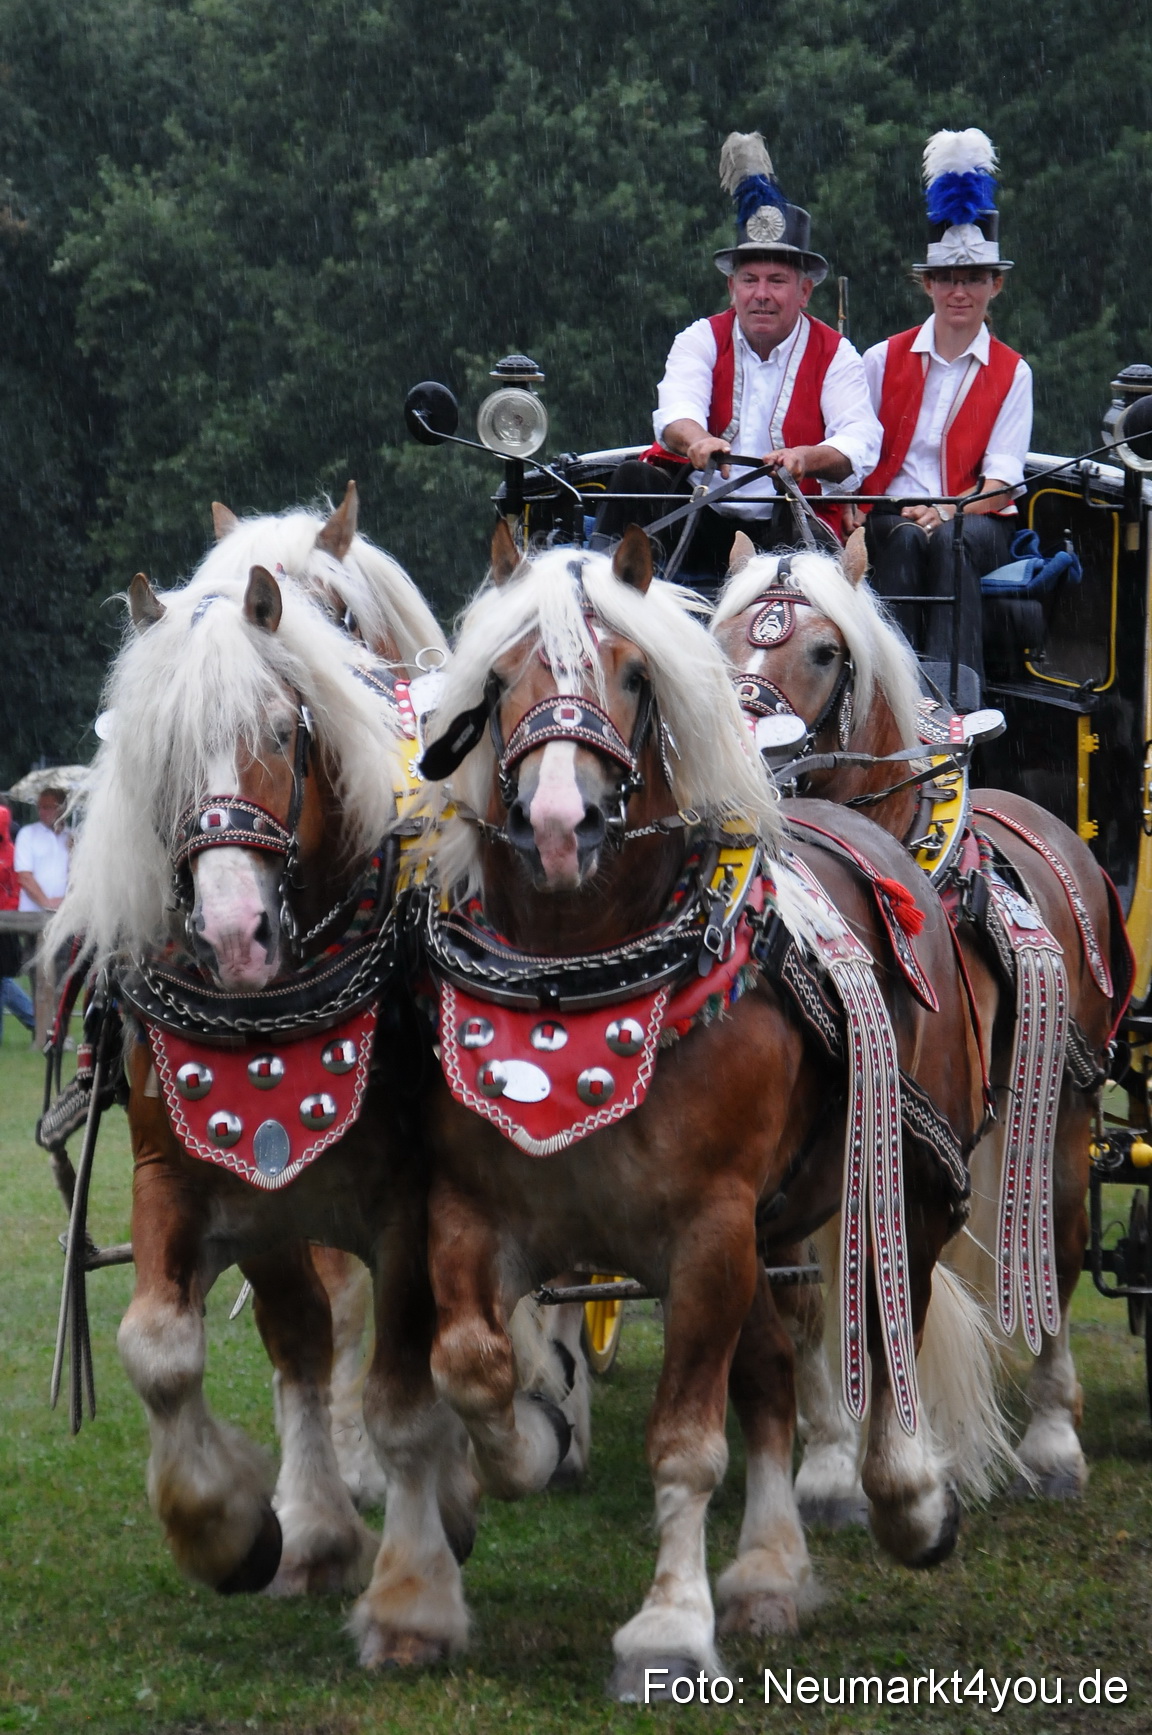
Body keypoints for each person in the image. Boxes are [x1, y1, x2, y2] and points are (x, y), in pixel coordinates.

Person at [593, 131, 882, 596]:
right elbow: (676, 409)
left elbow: (860, 441)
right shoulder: (700, 338)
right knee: (633, 480)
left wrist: (805, 458)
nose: (761, 294)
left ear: (805, 291)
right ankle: (601, 611)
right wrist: (697, 439)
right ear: (732, 289)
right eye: (748, 279)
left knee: (796, 525)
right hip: (699, 514)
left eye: (776, 280)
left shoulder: (835, 353)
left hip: (786, 526)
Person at [860, 128, 1033, 692]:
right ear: (927, 285)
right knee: (907, 541)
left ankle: (951, 702)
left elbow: (1002, 483)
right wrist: (886, 511)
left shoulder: (1014, 372)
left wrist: (951, 510)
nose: (960, 292)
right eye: (947, 280)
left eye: (974, 279)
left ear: (995, 286)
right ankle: (893, 695)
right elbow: (859, 453)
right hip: (893, 514)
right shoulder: (882, 358)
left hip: (978, 520)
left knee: (952, 541)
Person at [0, 803, 35, 1043]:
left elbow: (16, 888)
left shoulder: (11, 853)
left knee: (2, 978)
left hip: (6, 924)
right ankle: (35, 1020)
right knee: (3, 981)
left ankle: (36, 1020)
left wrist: (8, 913)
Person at [14, 786, 71, 912]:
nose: (41, 812)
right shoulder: (27, 834)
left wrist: (67, 902)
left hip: (64, 915)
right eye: (39, 807)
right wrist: (47, 903)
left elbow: (79, 877)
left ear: (62, 808)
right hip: (31, 915)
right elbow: (24, 877)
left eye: (47, 807)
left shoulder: (71, 837)